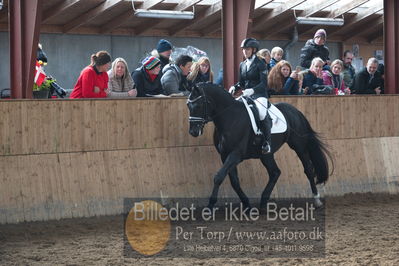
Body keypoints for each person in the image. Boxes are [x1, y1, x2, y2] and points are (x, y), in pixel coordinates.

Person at [229, 38, 271, 154]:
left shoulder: (261, 63)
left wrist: (252, 90)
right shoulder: (242, 64)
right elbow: (241, 83)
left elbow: (264, 84)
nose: (245, 51)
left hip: (259, 95)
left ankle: (267, 142)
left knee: (262, 114)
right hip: (247, 95)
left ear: (253, 50)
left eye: (247, 49)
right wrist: (235, 87)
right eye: (243, 49)